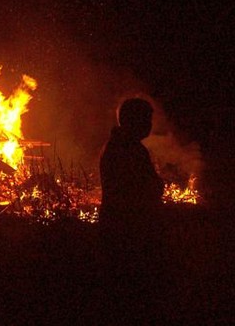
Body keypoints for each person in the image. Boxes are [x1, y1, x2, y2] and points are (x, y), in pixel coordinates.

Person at [98, 98, 166, 321]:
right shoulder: (130, 150)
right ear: (133, 120)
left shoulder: (116, 145)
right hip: (130, 231)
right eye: (146, 119)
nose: (149, 125)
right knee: (133, 296)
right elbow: (145, 189)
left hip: (116, 227)